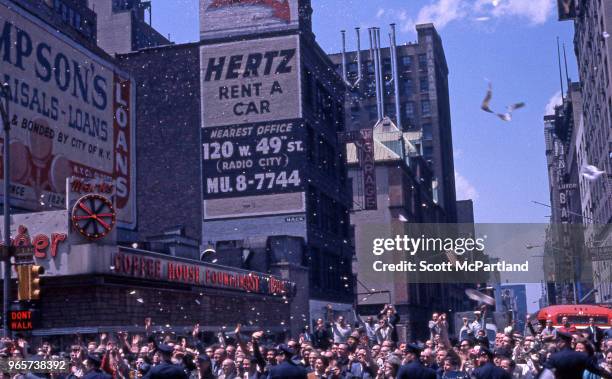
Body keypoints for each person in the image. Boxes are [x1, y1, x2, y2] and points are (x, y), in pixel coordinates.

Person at [545, 331, 612, 379]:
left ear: (563, 341)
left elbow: (544, 375)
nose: (557, 343)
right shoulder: (581, 356)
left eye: (558, 341)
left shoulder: (554, 357)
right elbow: (598, 370)